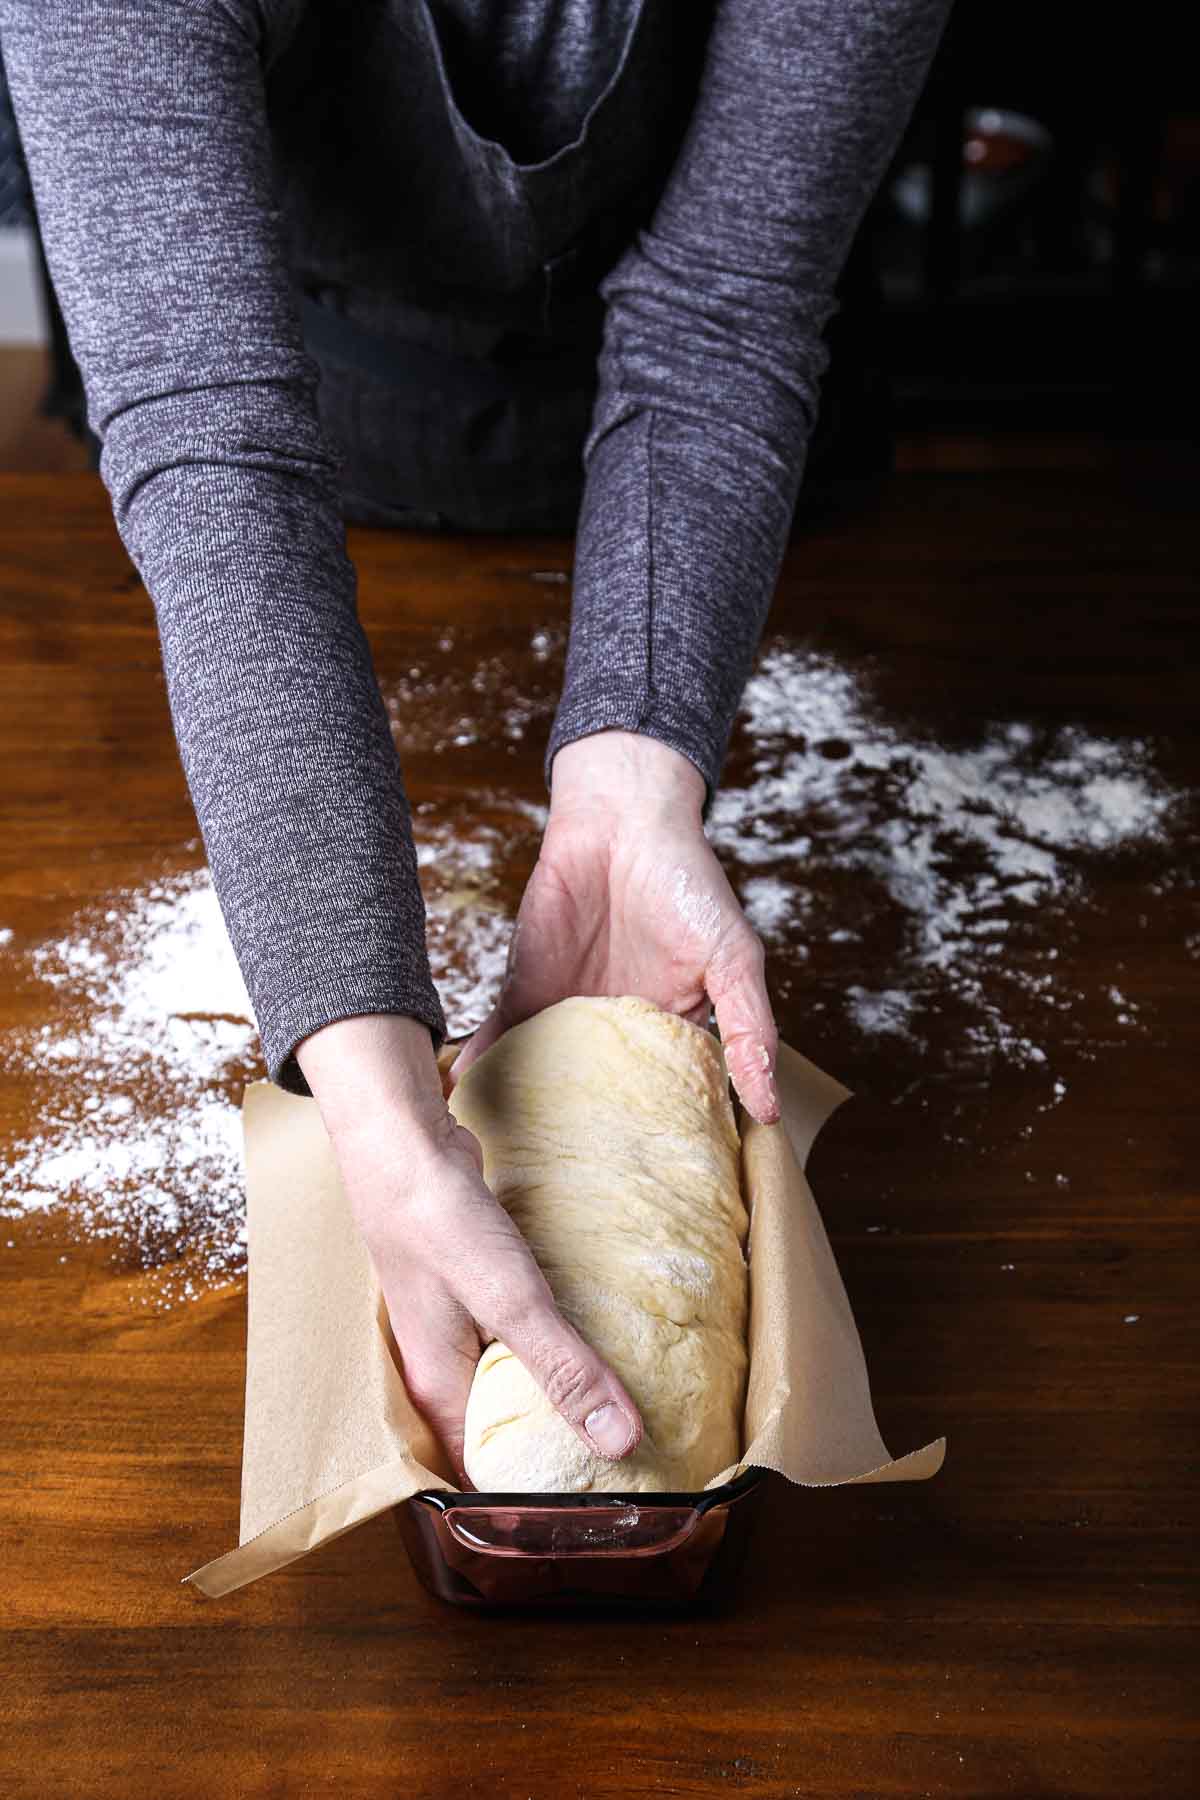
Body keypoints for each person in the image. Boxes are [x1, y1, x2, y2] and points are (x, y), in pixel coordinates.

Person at [1, 0, 951, 1486]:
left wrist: (636, 773)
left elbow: (721, 312)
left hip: (707, 471)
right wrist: (367, 1066)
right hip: (294, 381)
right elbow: (217, 439)